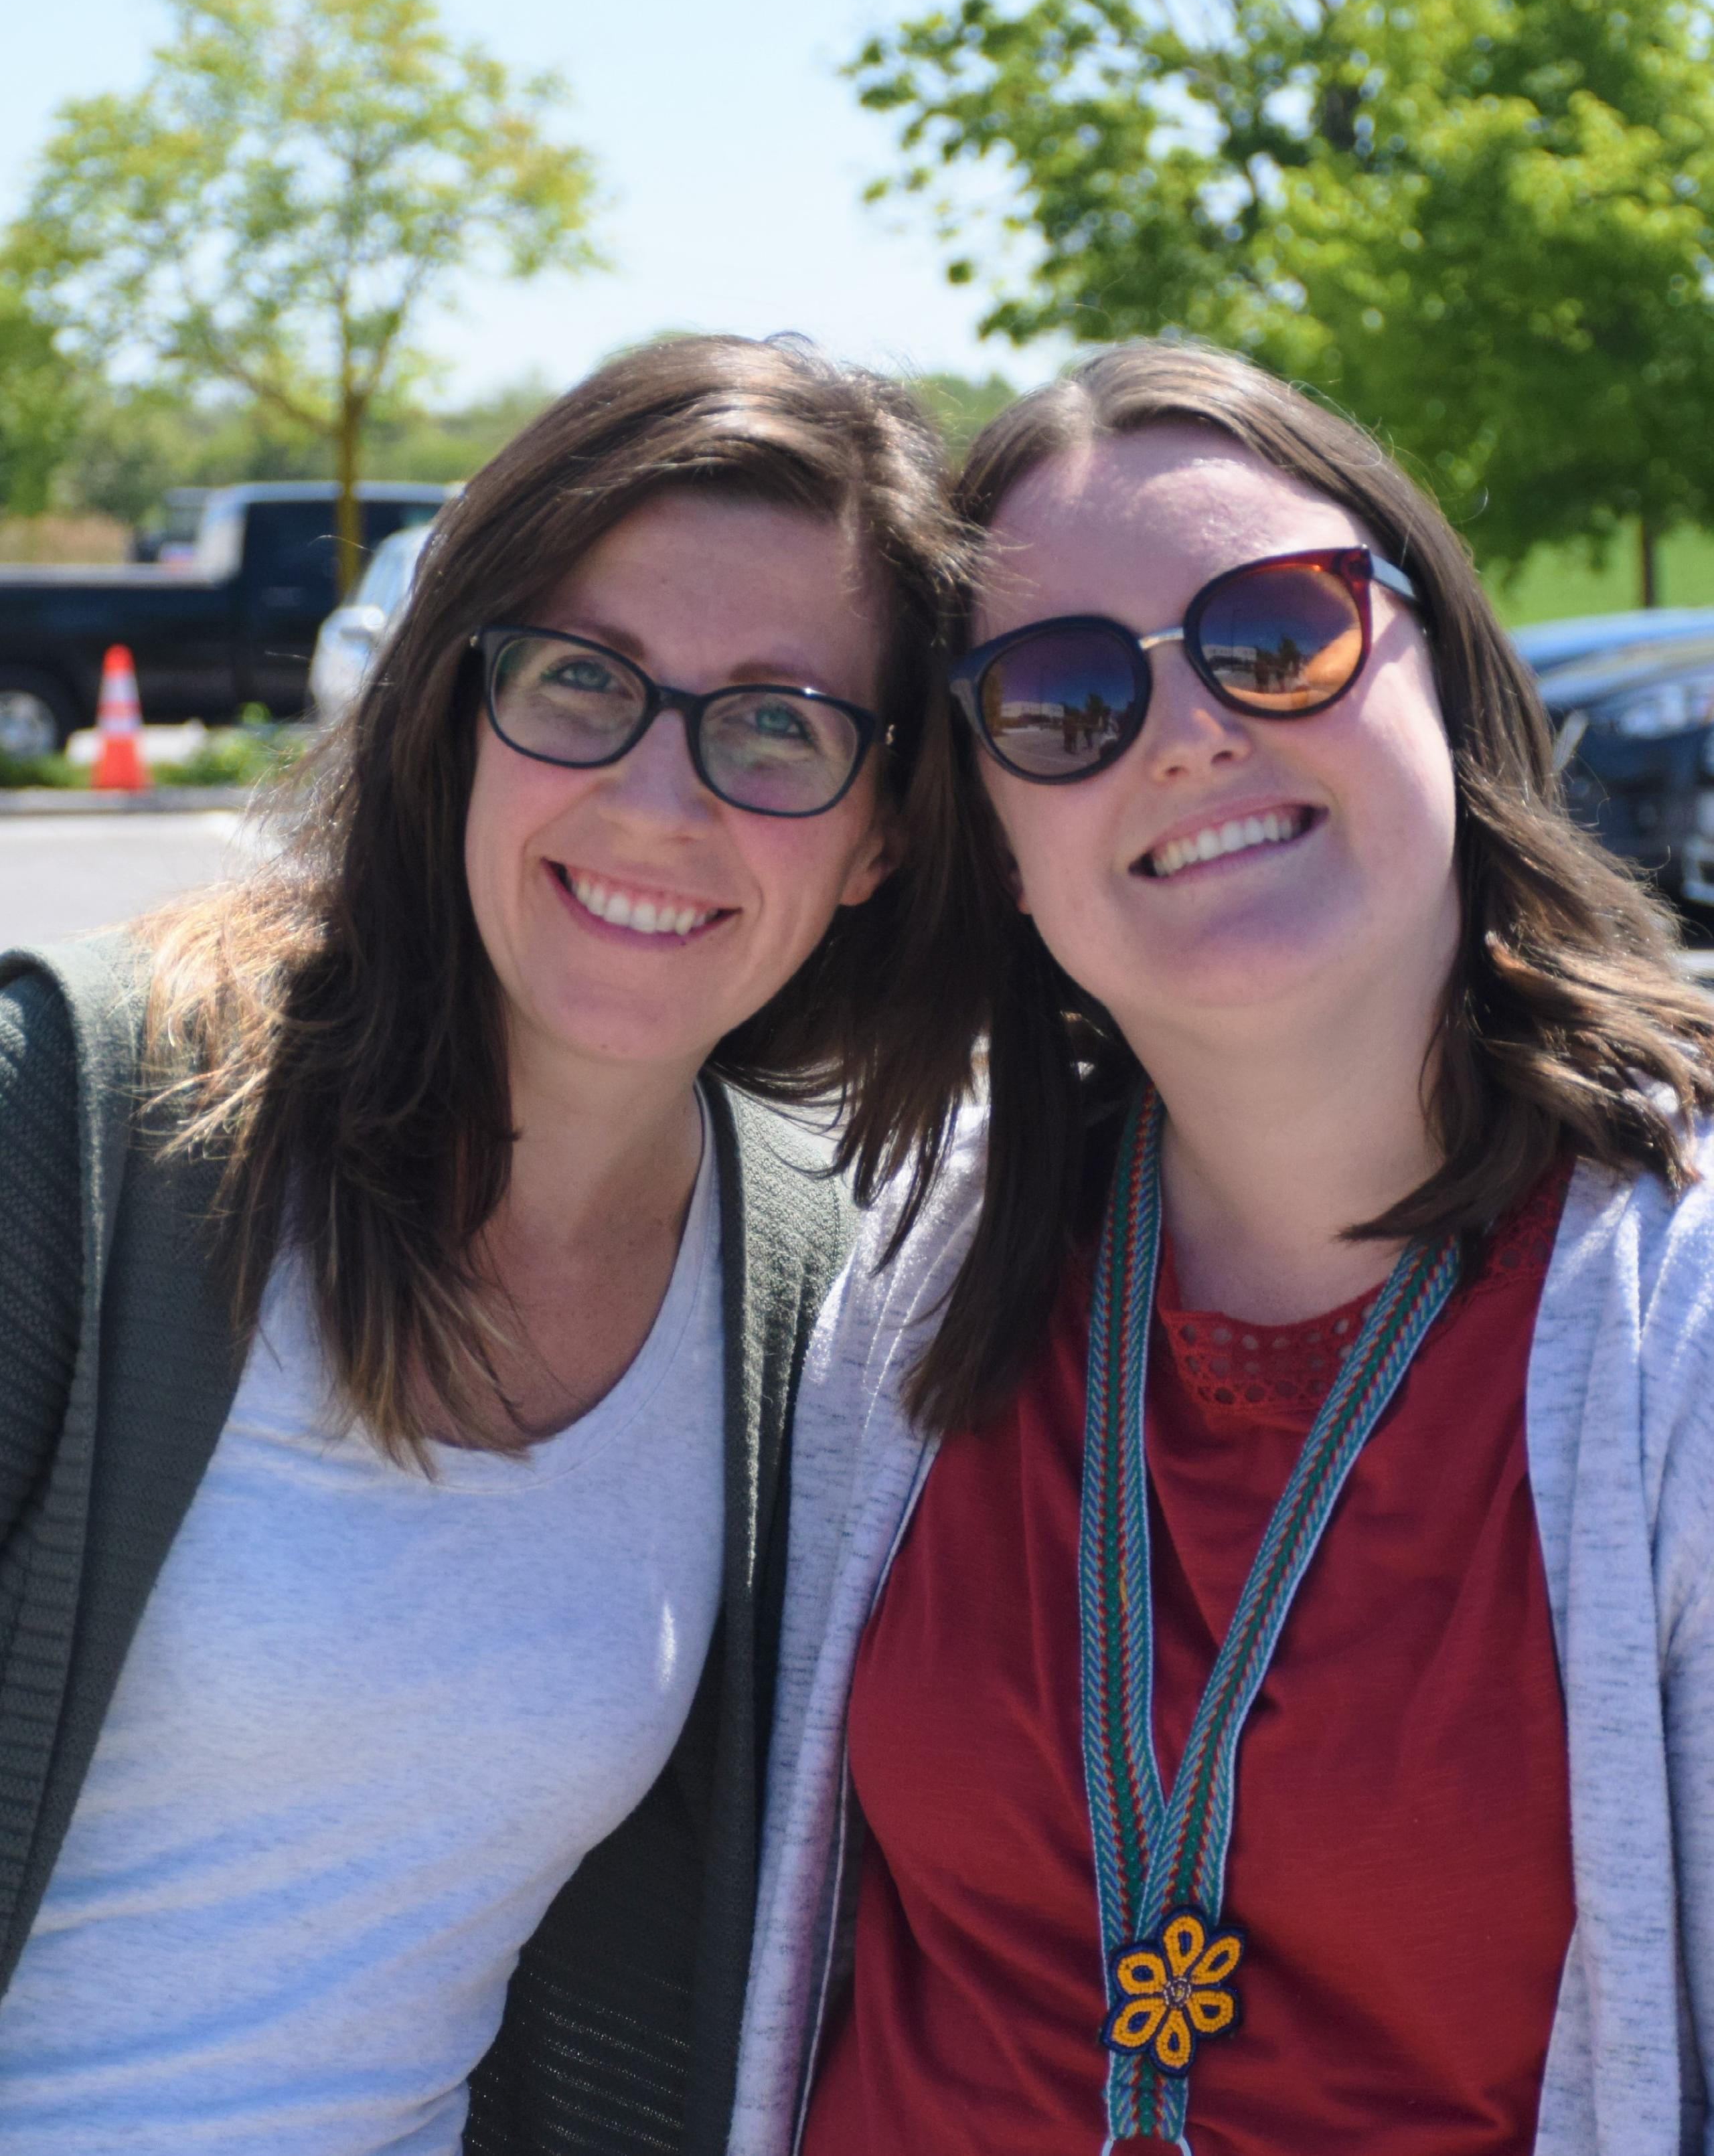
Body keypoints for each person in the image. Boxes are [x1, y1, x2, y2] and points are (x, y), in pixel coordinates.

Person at [731, 339, 1714, 2156]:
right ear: (989, 830)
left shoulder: (1684, 1326)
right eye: (1061, 697)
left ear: (1445, 671)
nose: (1188, 731)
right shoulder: (891, 1289)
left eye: (1277, 632)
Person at [0, 333, 961, 2156]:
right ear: (456, 712)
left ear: (884, 836)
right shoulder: (76, 1117)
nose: (660, 799)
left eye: (779, 724)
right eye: (584, 679)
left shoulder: (814, 1288)